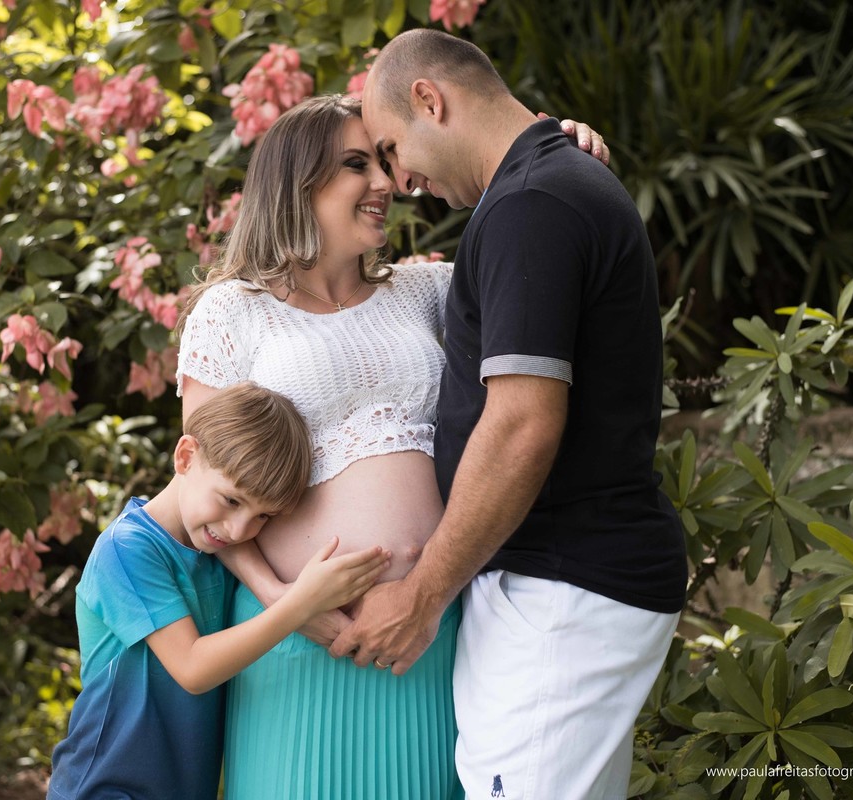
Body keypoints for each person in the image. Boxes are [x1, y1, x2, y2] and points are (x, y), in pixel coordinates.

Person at [174, 95, 609, 798]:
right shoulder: (231, 312)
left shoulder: (427, 291)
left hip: (427, 632)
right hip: (296, 641)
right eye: (356, 165)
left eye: (384, 161)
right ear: (298, 181)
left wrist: (558, 155)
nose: (385, 183)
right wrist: (287, 602)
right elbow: (205, 495)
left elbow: (535, 258)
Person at [330, 28, 688, 800]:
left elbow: (523, 422)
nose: (399, 181)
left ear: (430, 99)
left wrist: (422, 596)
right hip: (559, 588)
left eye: (391, 150)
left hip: (560, 589)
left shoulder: (533, 203)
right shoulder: (541, 189)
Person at [46, 382, 391, 800]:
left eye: (263, 516)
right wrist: (302, 602)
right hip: (105, 785)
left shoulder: (212, 549)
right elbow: (193, 668)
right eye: (231, 500)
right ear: (186, 457)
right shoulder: (128, 550)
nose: (239, 529)